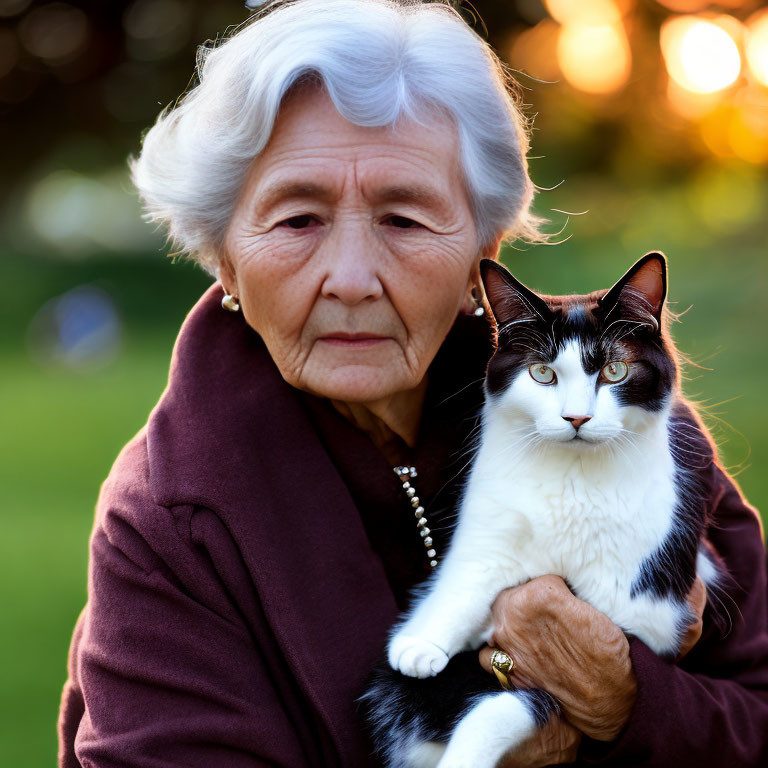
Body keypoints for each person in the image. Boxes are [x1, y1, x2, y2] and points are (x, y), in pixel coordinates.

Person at [57, 1, 768, 766]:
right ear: (225, 259)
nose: (353, 280)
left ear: (481, 255)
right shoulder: (170, 520)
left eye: (404, 219)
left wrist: (626, 699)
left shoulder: (627, 425)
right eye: (298, 219)